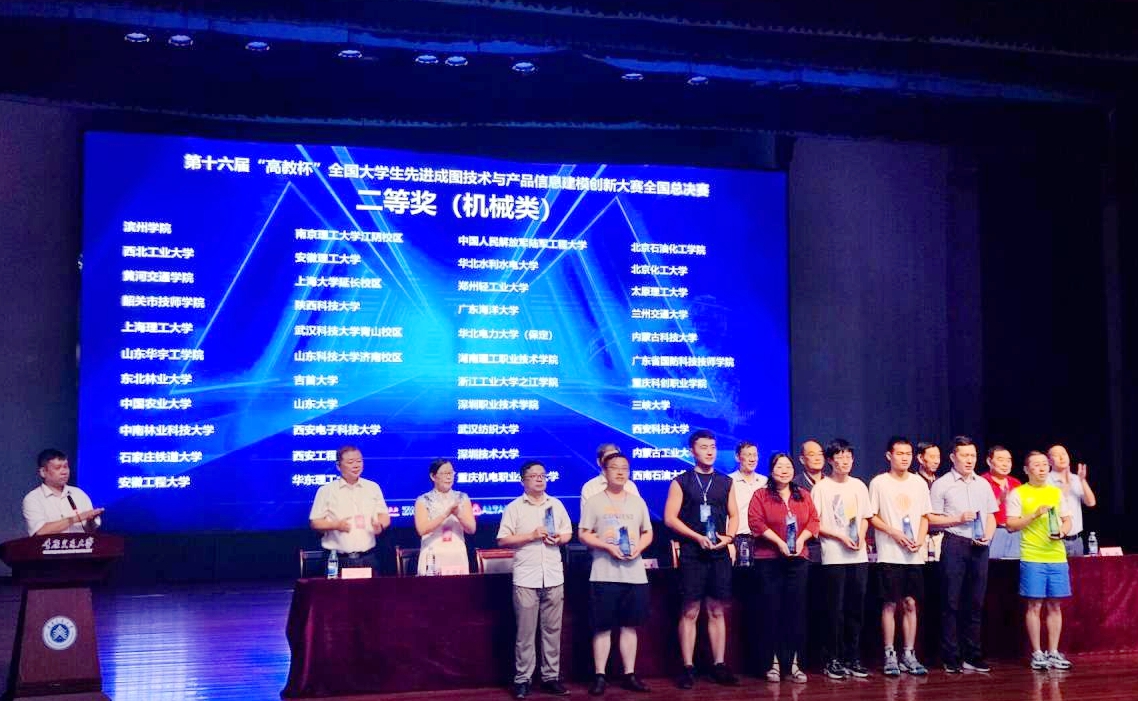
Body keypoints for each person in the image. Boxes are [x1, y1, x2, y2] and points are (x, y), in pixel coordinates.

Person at [663, 429, 738, 688]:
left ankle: (719, 665)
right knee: (690, 610)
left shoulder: (725, 481)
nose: (709, 451)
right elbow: (670, 518)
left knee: (717, 610)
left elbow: (734, 514)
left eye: (713, 447)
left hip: (718, 553)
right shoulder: (681, 481)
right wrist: (697, 537)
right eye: (704, 447)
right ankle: (688, 667)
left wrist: (729, 537)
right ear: (692, 451)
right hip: (692, 553)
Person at [498, 460, 574, 699]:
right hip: (526, 578)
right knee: (525, 633)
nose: (540, 479)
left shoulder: (556, 504)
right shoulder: (514, 507)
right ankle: (523, 679)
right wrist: (531, 535)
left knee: (553, 630)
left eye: (543, 475)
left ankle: (551, 677)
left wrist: (560, 539)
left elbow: (568, 532)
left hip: (553, 575)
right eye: (534, 476)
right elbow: (503, 539)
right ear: (523, 481)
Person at [579, 453, 653, 695]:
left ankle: (629, 674)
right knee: (602, 627)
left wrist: (639, 548)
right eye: (615, 468)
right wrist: (606, 546)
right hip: (604, 573)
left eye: (625, 468)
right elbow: (583, 534)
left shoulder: (637, 502)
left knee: (630, 626)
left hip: (634, 573)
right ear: (605, 471)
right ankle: (600, 676)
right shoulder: (594, 501)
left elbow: (648, 532)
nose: (621, 472)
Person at [928, 435, 998, 673]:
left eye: (973, 456)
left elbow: (991, 515)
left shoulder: (983, 484)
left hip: (980, 545)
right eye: (964, 455)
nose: (969, 460)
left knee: (975, 602)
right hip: (955, 543)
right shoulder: (942, 484)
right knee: (951, 601)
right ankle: (950, 656)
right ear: (952, 457)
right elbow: (932, 519)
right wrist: (957, 519)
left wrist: (988, 535)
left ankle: (973, 655)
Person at [750, 452, 820, 684]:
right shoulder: (761, 495)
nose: (784, 470)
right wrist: (779, 543)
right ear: (771, 471)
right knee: (771, 612)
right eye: (779, 467)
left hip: (798, 561)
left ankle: (795, 664)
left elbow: (814, 520)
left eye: (788, 466)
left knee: (796, 612)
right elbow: (756, 522)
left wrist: (801, 540)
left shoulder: (803, 495)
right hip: (769, 560)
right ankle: (772, 664)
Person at [868, 437, 931, 677]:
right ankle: (889, 654)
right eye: (900, 453)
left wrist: (920, 540)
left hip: (913, 554)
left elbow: (925, 515)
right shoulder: (879, 483)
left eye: (908, 454)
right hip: (889, 552)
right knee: (889, 604)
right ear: (889, 456)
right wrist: (893, 532)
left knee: (911, 603)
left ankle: (909, 653)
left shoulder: (919, 483)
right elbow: (871, 516)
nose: (904, 458)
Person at [1006, 451, 1074, 671]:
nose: (1042, 468)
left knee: (1055, 605)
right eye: (1036, 465)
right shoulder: (1018, 493)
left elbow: (1067, 520)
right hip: (1033, 556)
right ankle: (1037, 653)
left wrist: (1062, 532)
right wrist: (1034, 515)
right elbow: (1011, 525)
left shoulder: (1056, 492)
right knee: (1034, 605)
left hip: (1057, 557)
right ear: (1026, 470)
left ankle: (1053, 652)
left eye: (1045, 464)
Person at [811, 439, 872, 679]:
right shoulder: (821, 488)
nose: (845, 461)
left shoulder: (859, 486)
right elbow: (814, 524)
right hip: (834, 557)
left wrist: (861, 536)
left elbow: (866, 516)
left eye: (848, 457)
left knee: (855, 609)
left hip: (858, 556)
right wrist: (840, 536)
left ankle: (853, 657)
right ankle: (832, 658)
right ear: (830, 460)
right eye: (839, 457)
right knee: (833, 610)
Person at [308, 445, 390, 571]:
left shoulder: (373, 487)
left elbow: (384, 515)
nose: (356, 465)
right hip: (337, 559)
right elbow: (315, 522)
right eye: (350, 462)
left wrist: (380, 526)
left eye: (359, 461)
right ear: (338, 466)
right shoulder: (326, 491)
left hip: (368, 558)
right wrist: (336, 525)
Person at [414, 459, 476, 575]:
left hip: (457, 553)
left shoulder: (462, 498)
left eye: (451, 473)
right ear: (433, 476)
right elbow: (422, 529)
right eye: (444, 473)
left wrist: (458, 514)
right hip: (432, 554)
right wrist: (445, 514)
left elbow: (471, 529)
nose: (449, 477)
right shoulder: (423, 500)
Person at [23, 449, 104, 536]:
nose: (64, 472)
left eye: (66, 467)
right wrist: (76, 518)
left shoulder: (79, 494)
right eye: (58, 468)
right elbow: (40, 531)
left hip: (80, 544)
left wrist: (90, 521)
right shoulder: (33, 499)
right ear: (43, 472)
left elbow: (90, 532)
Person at [1046, 445, 1097, 557]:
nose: (1062, 457)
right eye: (1057, 455)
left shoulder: (1075, 478)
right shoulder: (1046, 480)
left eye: (1064, 454)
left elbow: (1091, 503)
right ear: (1049, 461)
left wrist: (1082, 480)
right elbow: (1051, 507)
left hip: (1077, 540)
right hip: (1056, 539)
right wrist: (1065, 488)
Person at [728, 441, 767, 557]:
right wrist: (728, 541)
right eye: (748, 455)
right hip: (739, 538)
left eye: (755, 455)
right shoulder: (728, 481)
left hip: (763, 539)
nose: (752, 459)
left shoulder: (765, 482)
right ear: (737, 457)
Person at [983, 445, 1022, 560]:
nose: (1005, 464)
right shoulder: (982, 482)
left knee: (1013, 566)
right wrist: (999, 500)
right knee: (993, 566)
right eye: (1000, 460)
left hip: (1015, 533)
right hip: (993, 532)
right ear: (989, 461)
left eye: (1008, 461)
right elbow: (979, 512)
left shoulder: (1016, 483)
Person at [915, 442, 943, 561]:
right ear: (920, 458)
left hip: (940, 538)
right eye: (932, 457)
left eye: (938, 457)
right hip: (919, 537)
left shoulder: (942, 483)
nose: (936, 461)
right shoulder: (913, 482)